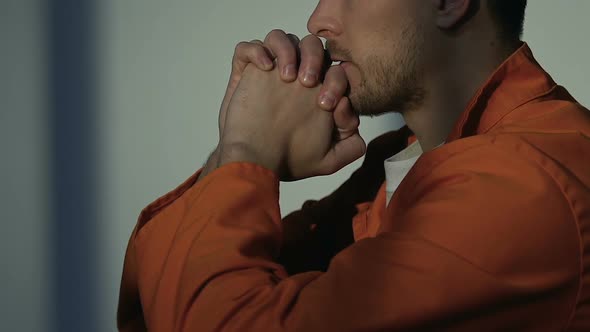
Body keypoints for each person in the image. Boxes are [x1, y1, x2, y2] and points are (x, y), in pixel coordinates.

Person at [117, 0, 590, 330]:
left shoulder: (518, 187)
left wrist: (247, 154)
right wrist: (231, 150)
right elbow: (163, 303)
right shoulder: (403, 161)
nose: (318, 20)